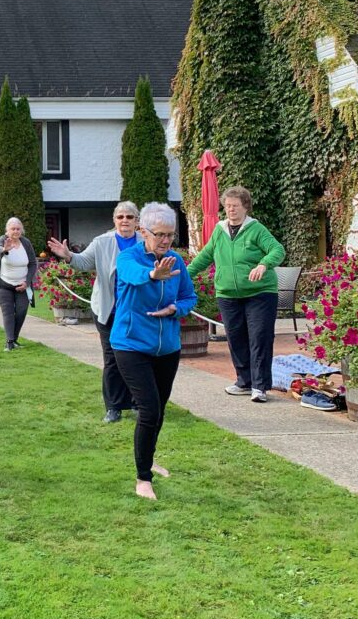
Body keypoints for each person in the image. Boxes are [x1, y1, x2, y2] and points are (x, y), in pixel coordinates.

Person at [110, 202, 198, 500]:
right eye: (159, 234)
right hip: (131, 344)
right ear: (143, 231)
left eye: (171, 235)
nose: (165, 241)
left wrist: (175, 308)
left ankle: (147, 457)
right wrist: (152, 275)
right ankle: (142, 478)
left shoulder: (175, 260)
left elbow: (189, 296)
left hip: (167, 347)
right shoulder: (128, 257)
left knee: (158, 411)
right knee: (148, 409)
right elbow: (133, 275)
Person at [188, 186, 285, 403]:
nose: (230, 210)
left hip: (260, 293)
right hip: (228, 294)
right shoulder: (219, 230)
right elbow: (205, 256)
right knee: (235, 337)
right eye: (227, 206)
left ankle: (259, 387)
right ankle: (244, 381)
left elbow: (277, 250)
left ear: (245, 207)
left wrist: (263, 265)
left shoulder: (256, 229)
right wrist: (184, 275)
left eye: (235, 206)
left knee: (259, 337)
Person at [47, 201, 140, 422]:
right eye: (120, 217)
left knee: (137, 357)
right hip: (108, 309)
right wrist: (68, 255)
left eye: (129, 217)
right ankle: (114, 407)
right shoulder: (102, 242)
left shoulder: (146, 242)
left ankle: (137, 403)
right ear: (114, 220)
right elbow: (83, 262)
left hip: (136, 311)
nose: (124, 221)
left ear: (137, 221)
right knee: (112, 358)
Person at [0, 218, 38, 352]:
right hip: (4, 285)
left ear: (21, 230)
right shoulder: (3, 239)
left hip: (22, 285)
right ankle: (9, 341)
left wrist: (27, 282)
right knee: (8, 313)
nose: (16, 231)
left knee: (21, 312)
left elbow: (33, 263)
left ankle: (14, 338)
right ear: (7, 230)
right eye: (13, 229)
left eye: (18, 229)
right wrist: (5, 249)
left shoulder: (26, 243)